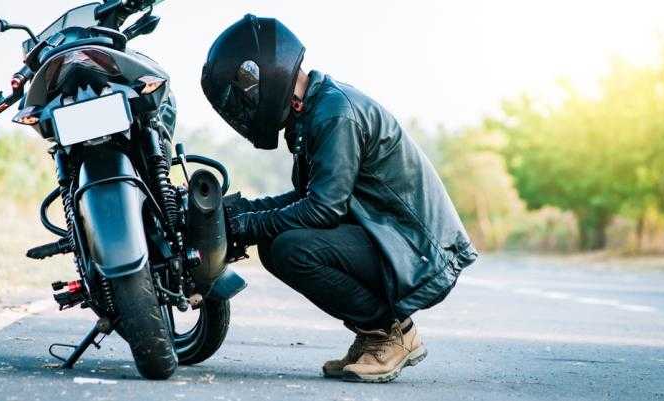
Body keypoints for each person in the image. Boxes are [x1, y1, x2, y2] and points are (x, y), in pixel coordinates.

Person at [200, 14, 478, 383]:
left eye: (244, 86)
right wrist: (239, 210)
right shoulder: (316, 109)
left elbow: (322, 209)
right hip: (387, 237)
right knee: (278, 239)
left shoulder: (335, 113)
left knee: (289, 249)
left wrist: (246, 224)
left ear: (264, 72)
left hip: (415, 250)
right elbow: (310, 198)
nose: (243, 101)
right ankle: (372, 337)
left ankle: (393, 334)